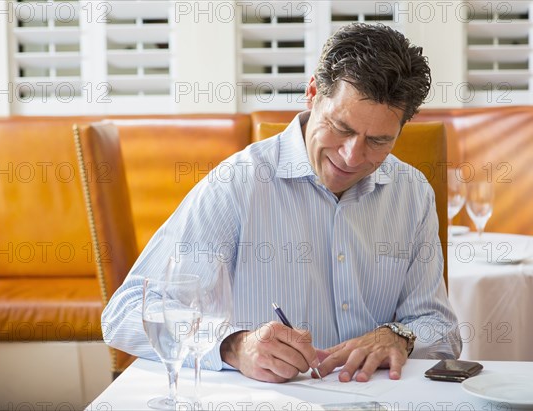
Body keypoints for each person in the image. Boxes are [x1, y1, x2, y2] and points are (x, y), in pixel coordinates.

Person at [102, 22, 462, 384]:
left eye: (379, 141)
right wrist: (233, 346)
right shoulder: (237, 185)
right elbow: (125, 313)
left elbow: (440, 328)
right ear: (312, 93)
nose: (353, 156)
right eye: (342, 127)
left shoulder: (413, 193)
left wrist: (398, 336)